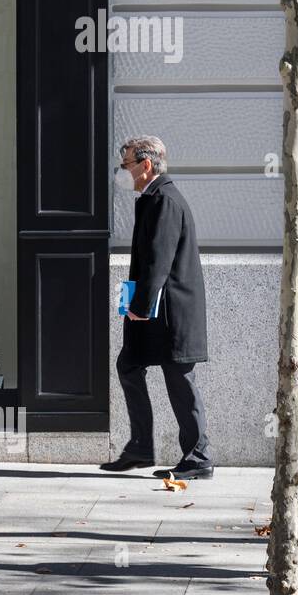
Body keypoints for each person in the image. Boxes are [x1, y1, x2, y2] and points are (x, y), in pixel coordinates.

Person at [102, 136, 213, 480]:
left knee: (180, 378)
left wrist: (139, 304)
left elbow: (158, 261)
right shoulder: (153, 198)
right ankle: (140, 447)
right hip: (156, 312)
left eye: (127, 165)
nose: (124, 173)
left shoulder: (164, 200)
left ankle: (198, 457)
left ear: (145, 165)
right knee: (129, 364)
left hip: (169, 313)